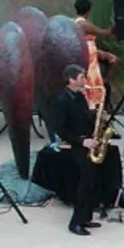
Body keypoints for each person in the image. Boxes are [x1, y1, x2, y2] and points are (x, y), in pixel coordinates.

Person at [48, 65, 101, 236]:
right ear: (71, 80)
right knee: (84, 185)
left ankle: (86, 217)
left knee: (91, 182)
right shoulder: (61, 100)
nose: (85, 80)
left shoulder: (79, 96)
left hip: (88, 142)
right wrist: (82, 141)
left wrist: (96, 117)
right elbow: (60, 129)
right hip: (76, 147)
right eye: (81, 77)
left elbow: (82, 117)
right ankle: (75, 223)